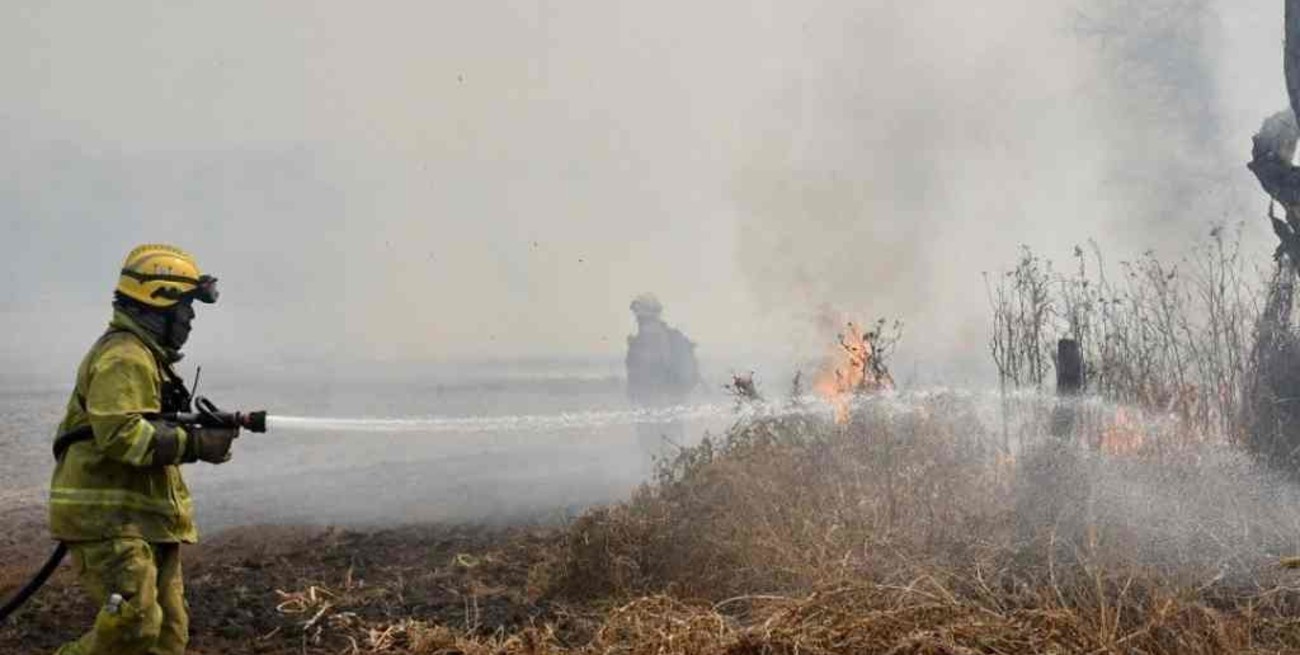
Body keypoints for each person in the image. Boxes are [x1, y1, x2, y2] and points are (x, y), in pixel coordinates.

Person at [49, 244, 238, 655]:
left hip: (142, 520)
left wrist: (200, 432)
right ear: (160, 302)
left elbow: (150, 426)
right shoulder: (125, 357)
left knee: (167, 636)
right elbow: (122, 435)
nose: (190, 319)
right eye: (186, 307)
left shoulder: (148, 358)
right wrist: (197, 443)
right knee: (133, 626)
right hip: (109, 520)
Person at [625, 293, 700, 457]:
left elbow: (681, 375)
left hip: (665, 406)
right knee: (651, 450)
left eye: (643, 317)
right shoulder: (641, 342)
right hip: (651, 407)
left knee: (667, 448)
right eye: (639, 317)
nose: (640, 321)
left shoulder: (667, 340)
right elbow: (636, 378)